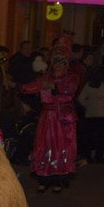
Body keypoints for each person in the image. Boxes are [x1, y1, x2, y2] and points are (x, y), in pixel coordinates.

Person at [21, 46, 79, 192]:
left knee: (60, 146)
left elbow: (69, 92)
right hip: (47, 118)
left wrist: (54, 87)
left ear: (66, 64)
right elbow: (29, 88)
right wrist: (19, 85)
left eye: (62, 62)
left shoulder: (71, 78)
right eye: (56, 62)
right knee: (44, 145)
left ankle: (59, 179)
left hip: (61, 119)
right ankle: (43, 179)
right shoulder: (45, 77)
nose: (58, 65)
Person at [77, 65, 104, 164]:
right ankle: (99, 156)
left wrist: (88, 104)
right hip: (103, 112)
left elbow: (81, 98)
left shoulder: (88, 85)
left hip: (91, 113)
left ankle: (88, 156)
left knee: (90, 135)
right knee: (101, 135)